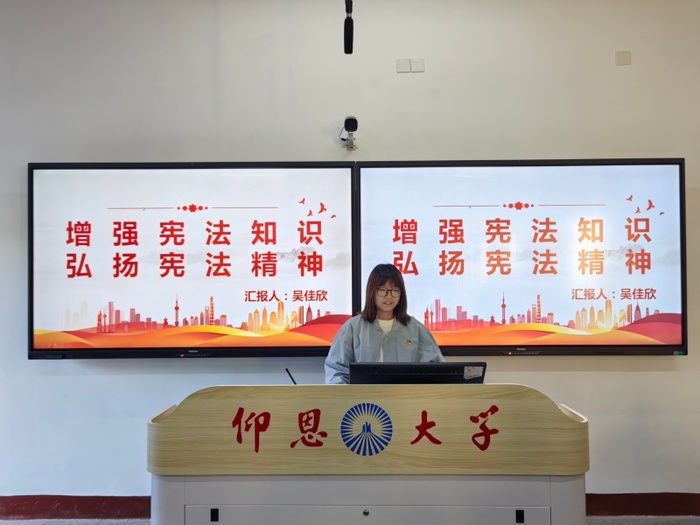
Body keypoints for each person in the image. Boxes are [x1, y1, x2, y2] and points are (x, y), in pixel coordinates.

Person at [324, 263, 444, 384]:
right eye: (382, 290)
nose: (389, 296)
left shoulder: (416, 329)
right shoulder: (353, 328)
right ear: (371, 291)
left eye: (395, 290)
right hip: (363, 396)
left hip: (405, 396)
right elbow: (336, 370)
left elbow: (437, 370)